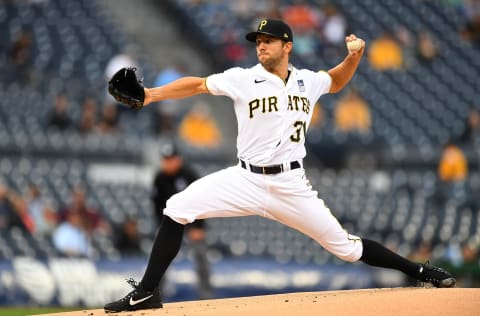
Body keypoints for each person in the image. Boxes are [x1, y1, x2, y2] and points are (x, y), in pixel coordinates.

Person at [104, 19, 456, 313]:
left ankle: (420, 270)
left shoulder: (307, 81)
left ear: (288, 45)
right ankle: (148, 292)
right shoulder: (243, 77)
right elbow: (197, 85)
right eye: (258, 41)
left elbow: (334, 80)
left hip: (291, 185)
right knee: (177, 207)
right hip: (244, 178)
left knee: (347, 249)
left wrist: (356, 57)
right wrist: (151, 95)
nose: (261, 45)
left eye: (268, 40)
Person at [151, 143, 213, 299]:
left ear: (178, 159)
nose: (168, 162)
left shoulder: (189, 175)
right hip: (170, 222)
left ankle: (206, 296)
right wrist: (161, 227)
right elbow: (156, 207)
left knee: (200, 255)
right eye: (165, 159)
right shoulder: (159, 178)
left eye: (171, 159)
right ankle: (156, 295)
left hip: (192, 221)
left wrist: (199, 226)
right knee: (160, 257)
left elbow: (202, 201)